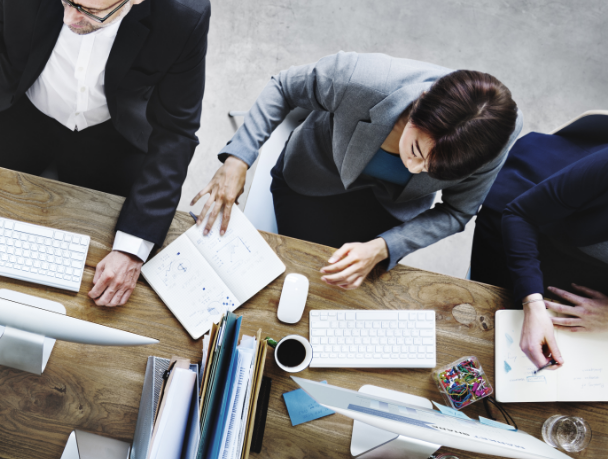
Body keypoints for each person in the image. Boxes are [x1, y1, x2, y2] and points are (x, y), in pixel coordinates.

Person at [0, 0, 209, 307]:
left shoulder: (186, 15)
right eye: (67, 0)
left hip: (113, 134)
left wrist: (132, 248)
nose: (68, 18)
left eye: (88, 10)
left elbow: (176, 131)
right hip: (19, 109)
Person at [199, 52, 520, 290]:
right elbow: (284, 86)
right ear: (420, 104)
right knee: (300, 273)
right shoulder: (362, 79)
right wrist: (238, 159)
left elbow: (456, 212)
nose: (417, 169)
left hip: (393, 208)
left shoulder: (491, 143)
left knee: (353, 286)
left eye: (437, 171)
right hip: (312, 179)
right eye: (417, 151)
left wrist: (384, 246)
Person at [469, 119, 608, 368]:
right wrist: (532, 304)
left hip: (591, 265)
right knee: (487, 325)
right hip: (535, 216)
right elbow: (521, 214)